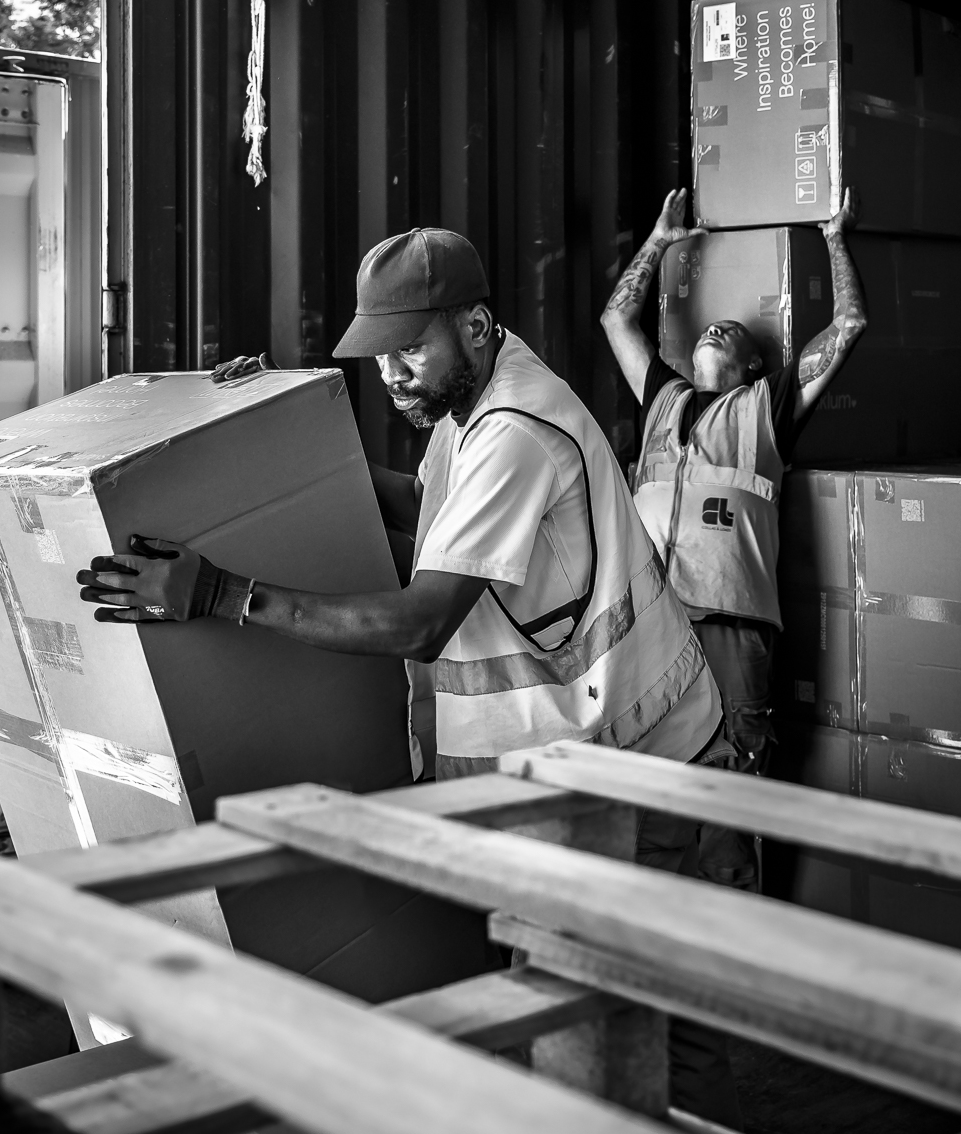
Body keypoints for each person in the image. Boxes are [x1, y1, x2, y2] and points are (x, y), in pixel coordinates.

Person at [77, 227, 722, 784]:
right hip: (584, 760)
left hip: (645, 754)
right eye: (381, 353)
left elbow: (421, 624)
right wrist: (281, 427)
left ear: (472, 326)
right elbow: (429, 510)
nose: (390, 374)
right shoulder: (475, 389)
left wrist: (223, 594)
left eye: (410, 349)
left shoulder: (514, 432)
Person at [601, 185, 867, 891]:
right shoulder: (662, 398)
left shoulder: (766, 406)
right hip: (647, 627)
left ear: (754, 367)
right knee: (651, 789)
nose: (717, 330)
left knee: (728, 787)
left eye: (735, 333)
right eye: (708, 330)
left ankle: (731, 953)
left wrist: (834, 239)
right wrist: (660, 241)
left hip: (730, 628)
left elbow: (848, 326)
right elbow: (615, 318)